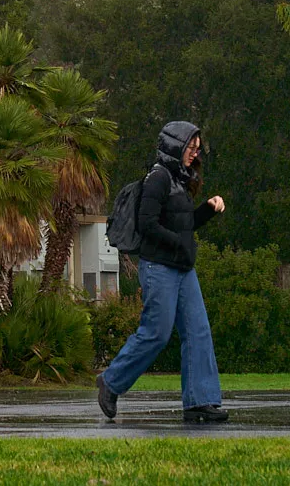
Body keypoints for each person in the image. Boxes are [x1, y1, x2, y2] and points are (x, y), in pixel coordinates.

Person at [96, 121, 228, 425]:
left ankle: (200, 402)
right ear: (173, 145)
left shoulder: (181, 182)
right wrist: (178, 244)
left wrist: (208, 208)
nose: (194, 155)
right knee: (156, 333)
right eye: (190, 148)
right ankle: (110, 382)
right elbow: (147, 225)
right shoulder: (157, 178)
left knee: (198, 332)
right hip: (159, 268)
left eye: (196, 149)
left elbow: (184, 226)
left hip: (182, 268)